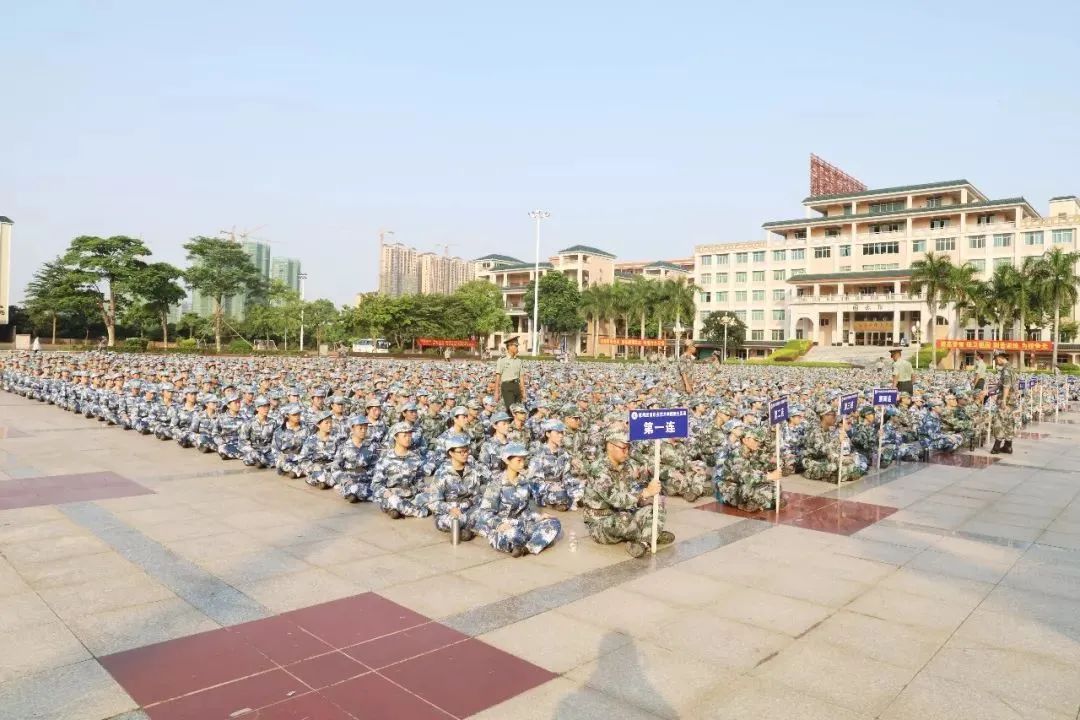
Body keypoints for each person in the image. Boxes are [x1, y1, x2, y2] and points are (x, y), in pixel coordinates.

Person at [582, 430, 673, 558]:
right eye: (623, 448)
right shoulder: (598, 469)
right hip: (600, 524)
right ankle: (651, 534)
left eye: (629, 448)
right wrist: (645, 493)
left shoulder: (627, 466)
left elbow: (632, 491)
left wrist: (645, 499)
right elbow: (615, 499)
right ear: (610, 446)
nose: (627, 452)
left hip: (624, 513)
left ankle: (644, 542)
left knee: (657, 506)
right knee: (623, 519)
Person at [477, 443, 561, 557]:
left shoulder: (524, 482)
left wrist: (538, 517)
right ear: (507, 461)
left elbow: (526, 510)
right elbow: (484, 513)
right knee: (513, 534)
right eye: (518, 461)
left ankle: (526, 548)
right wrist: (499, 524)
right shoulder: (496, 483)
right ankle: (529, 542)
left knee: (553, 523)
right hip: (505, 528)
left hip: (522, 524)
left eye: (523, 460)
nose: (522, 464)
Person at [990, 350, 1017, 454]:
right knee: (1008, 422)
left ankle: (996, 447)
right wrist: (988, 391)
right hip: (1012, 399)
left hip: (1006, 399)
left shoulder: (1006, 370)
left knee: (999, 421)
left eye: (996, 359)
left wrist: (1004, 400)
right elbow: (1000, 385)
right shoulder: (1010, 368)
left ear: (999, 357)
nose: (996, 362)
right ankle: (1008, 446)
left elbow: (1006, 386)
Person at [493, 336, 526, 411]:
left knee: (518, 409)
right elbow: (498, 377)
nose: (517, 348)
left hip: (516, 386)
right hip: (507, 386)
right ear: (510, 346)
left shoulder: (519, 361)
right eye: (516, 346)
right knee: (511, 409)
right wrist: (496, 392)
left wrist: (523, 392)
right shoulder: (502, 360)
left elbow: (521, 378)